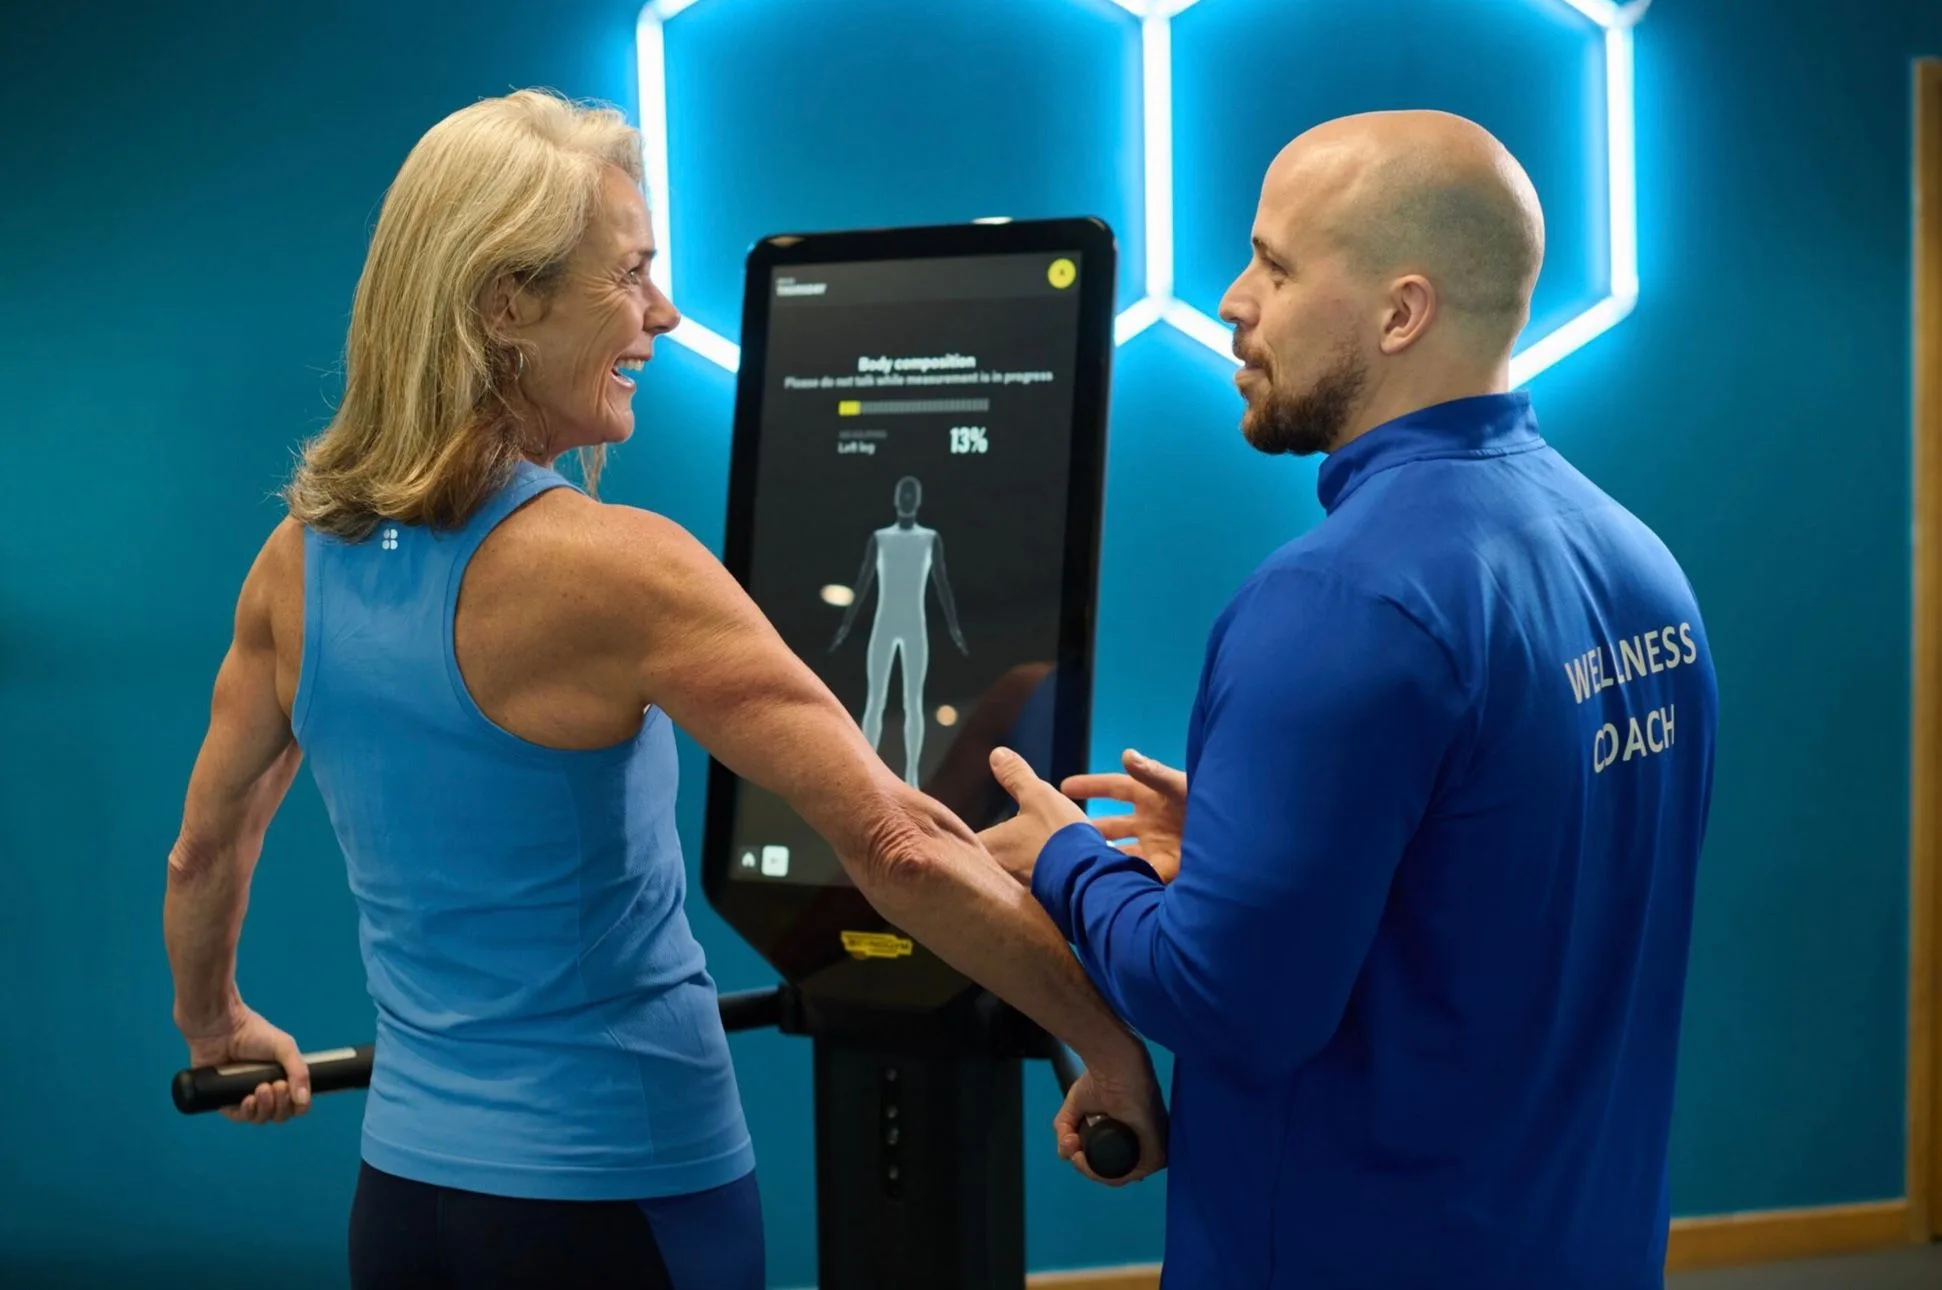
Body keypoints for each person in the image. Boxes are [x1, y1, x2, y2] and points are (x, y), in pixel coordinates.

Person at [160, 88, 1164, 1290]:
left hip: (406, 1204)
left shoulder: (295, 563)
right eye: (627, 276)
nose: (663, 313)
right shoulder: (618, 568)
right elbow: (894, 848)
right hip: (615, 1196)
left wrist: (215, 1025)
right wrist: (1104, 1043)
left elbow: (202, 856)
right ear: (505, 303)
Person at [981, 109, 1718, 1289]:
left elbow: (1228, 1007)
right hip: (1577, 1246)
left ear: (1399, 312)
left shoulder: (1340, 600)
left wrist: (1070, 861)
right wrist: (1233, 861)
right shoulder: (1638, 565)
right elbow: (1491, 896)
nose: (1232, 298)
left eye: (1273, 265)